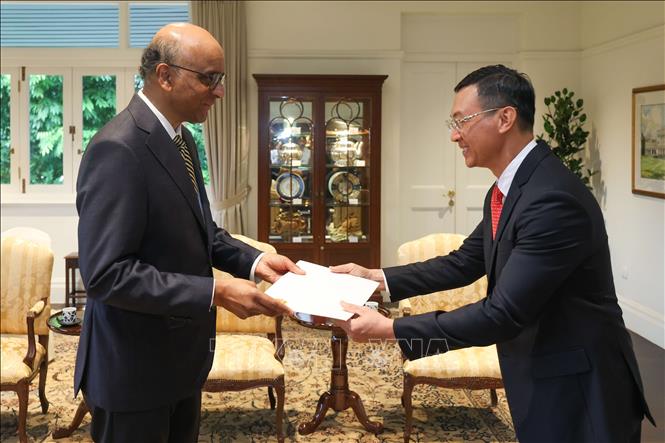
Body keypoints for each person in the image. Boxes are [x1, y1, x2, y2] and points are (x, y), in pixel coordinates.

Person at [332, 65, 655, 442]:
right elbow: (464, 262)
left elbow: (503, 313)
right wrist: (376, 279)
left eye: (462, 121)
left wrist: (390, 329)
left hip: (581, 389)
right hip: (545, 374)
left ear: (505, 118)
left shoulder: (552, 199)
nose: (454, 135)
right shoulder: (507, 189)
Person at [75, 23, 301, 442]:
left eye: (220, 78)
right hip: (133, 372)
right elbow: (107, 275)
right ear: (165, 76)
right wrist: (216, 291)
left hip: (180, 362)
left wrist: (256, 261)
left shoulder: (183, 141)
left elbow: (201, 231)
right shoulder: (118, 148)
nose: (220, 91)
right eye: (209, 78)